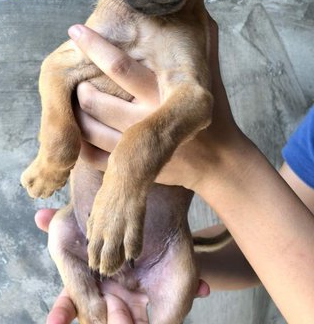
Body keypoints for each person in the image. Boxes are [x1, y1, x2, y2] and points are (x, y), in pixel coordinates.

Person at [35, 18, 314, 324]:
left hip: (162, 243)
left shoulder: (185, 31)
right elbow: (277, 229)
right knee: (61, 235)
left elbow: (193, 101)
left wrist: (215, 166)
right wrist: (145, 258)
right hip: (126, 242)